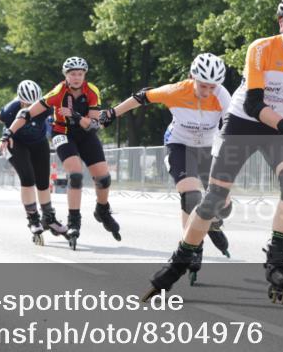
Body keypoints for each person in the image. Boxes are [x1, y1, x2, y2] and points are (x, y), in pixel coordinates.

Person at [145, 0, 283, 304]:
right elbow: (254, 104)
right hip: (243, 124)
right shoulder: (260, 49)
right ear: (282, 24)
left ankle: (276, 262)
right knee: (213, 200)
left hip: (279, 130)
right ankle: (178, 263)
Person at [99, 53, 234, 284]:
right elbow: (141, 97)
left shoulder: (222, 96)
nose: (207, 91)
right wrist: (112, 113)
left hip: (208, 148)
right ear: (192, 77)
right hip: (180, 145)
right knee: (191, 196)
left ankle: (211, 222)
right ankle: (193, 246)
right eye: (202, 85)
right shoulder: (175, 91)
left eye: (212, 86)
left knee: (225, 206)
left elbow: (231, 126)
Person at [0, 57, 119, 250]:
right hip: (62, 133)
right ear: (66, 76)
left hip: (85, 134)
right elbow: (27, 113)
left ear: (84, 75)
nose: (76, 77)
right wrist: (8, 133)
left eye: (80, 74)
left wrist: (75, 115)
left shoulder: (92, 91)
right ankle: (73, 222)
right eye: (72, 74)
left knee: (103, 178)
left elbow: (94, 125)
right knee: (76, 175)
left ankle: (102, 209)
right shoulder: (58, 92)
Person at [0, 79, 68, 246]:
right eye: (27, 104)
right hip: (15, 142)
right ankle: (33, 219)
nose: (32, 108)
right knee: (28, 178)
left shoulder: (45, 106)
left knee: (43, 182)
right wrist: (0, 120)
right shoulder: (10, 109)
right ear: (20, 101)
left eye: (34, 104)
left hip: (38, 142)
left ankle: (49, 218)